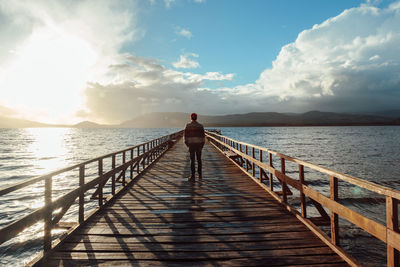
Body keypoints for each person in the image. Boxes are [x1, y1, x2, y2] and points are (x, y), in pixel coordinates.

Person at [184, 113, 205, 182]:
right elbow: (203, 137)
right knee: (199, 160)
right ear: (196, 118)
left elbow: (185, 136)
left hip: (191, 145)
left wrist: (187, 143)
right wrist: (202, 145)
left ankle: (193, 176)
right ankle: (200, 175)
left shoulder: (188, 126)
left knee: (192, 160)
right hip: (199, 145)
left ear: (191, 118)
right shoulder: (200, 126)